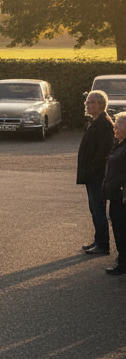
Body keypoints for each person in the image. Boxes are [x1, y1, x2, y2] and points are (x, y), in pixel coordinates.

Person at [78, 90, 114, 256]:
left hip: (97, 175)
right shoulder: (96, 121)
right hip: (92, 174)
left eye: (90, 102)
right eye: (87, 102)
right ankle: (98, 240)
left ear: (100, 105)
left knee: (98, 209)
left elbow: (105, 150)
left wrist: (92, 168)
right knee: (94, 209)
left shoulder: (104, 124)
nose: (87, 105)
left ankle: (103, 245)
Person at [101, 111, 126, 275]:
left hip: (122, 195)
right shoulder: (120, 144)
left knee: (121, 228)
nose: (115, 127)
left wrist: (114, 183)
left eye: (119, 124)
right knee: (118, 227)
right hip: (116, 194)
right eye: (115, 124)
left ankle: (123, 263)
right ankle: (122, 260)